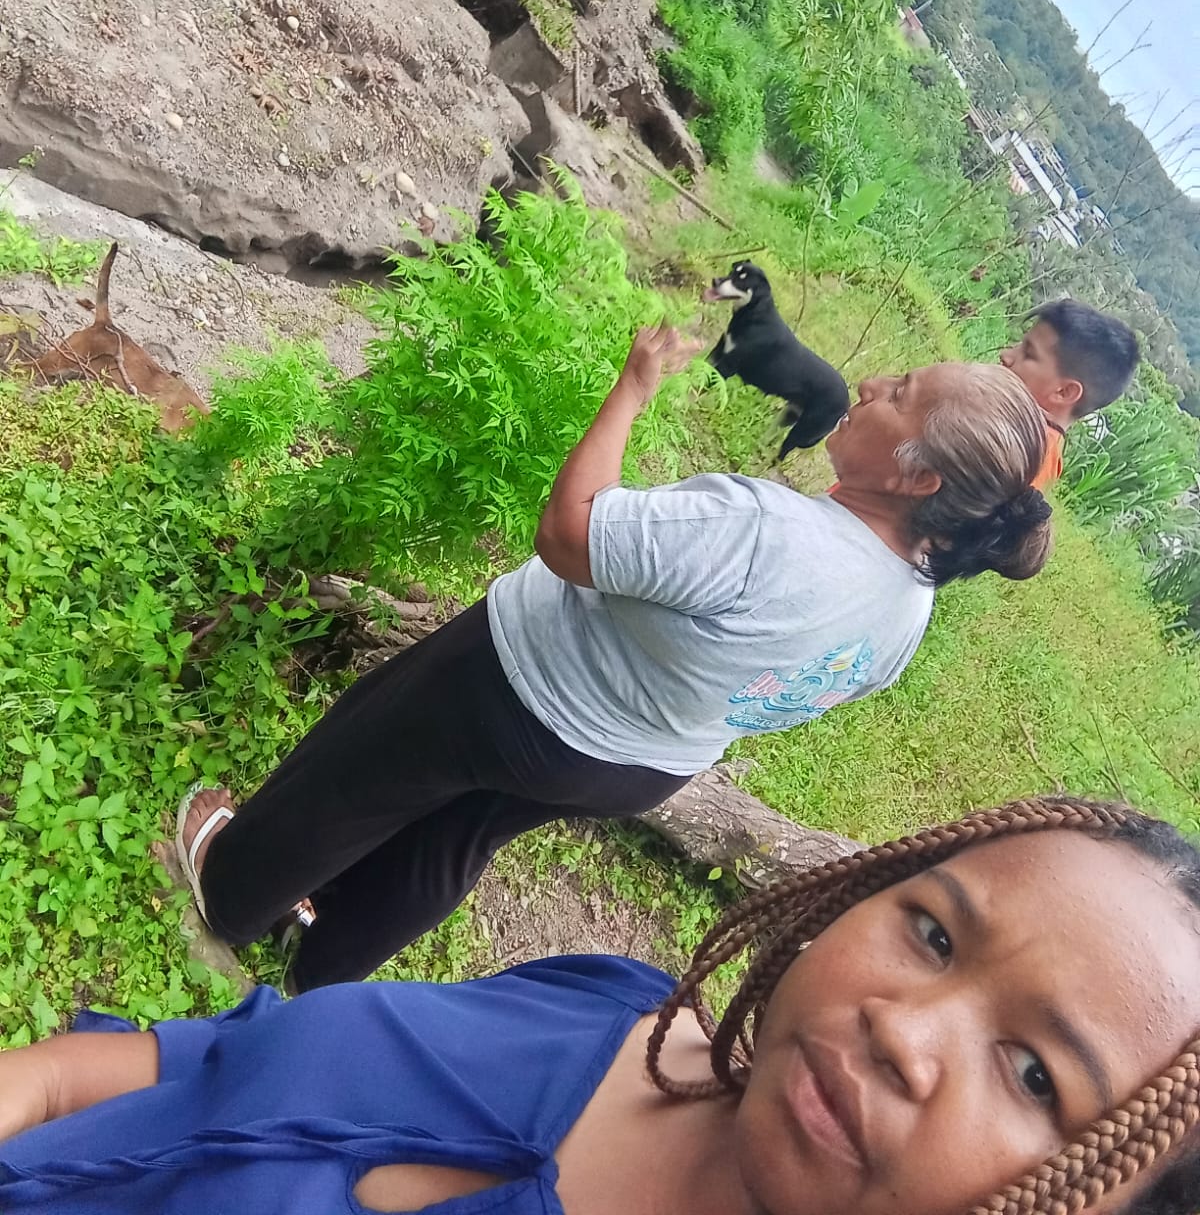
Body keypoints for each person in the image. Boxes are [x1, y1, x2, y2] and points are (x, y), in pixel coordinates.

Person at [174, 325, 1054, 993]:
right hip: (635, 764)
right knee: (458, 837)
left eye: (900, 394)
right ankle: (322, 965)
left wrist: (632, 389)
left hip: (519, 689)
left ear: (917, 479)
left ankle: (231, 893)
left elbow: (569, 535)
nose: (869, 384)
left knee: (360, 770)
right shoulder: (907, 609)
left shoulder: (762, 531)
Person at [2, 794, 1199, 1215]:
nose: (903, 1027)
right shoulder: (609, 1006)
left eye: (1035, 1075)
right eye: (932, 931)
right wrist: (41, 1080)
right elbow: (206, 1066)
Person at [1000, 298, 1139, 492]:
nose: (1005, 355)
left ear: (1064, 392)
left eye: (1028, 354)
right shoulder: (1033, 447)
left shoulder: (1019, 455)